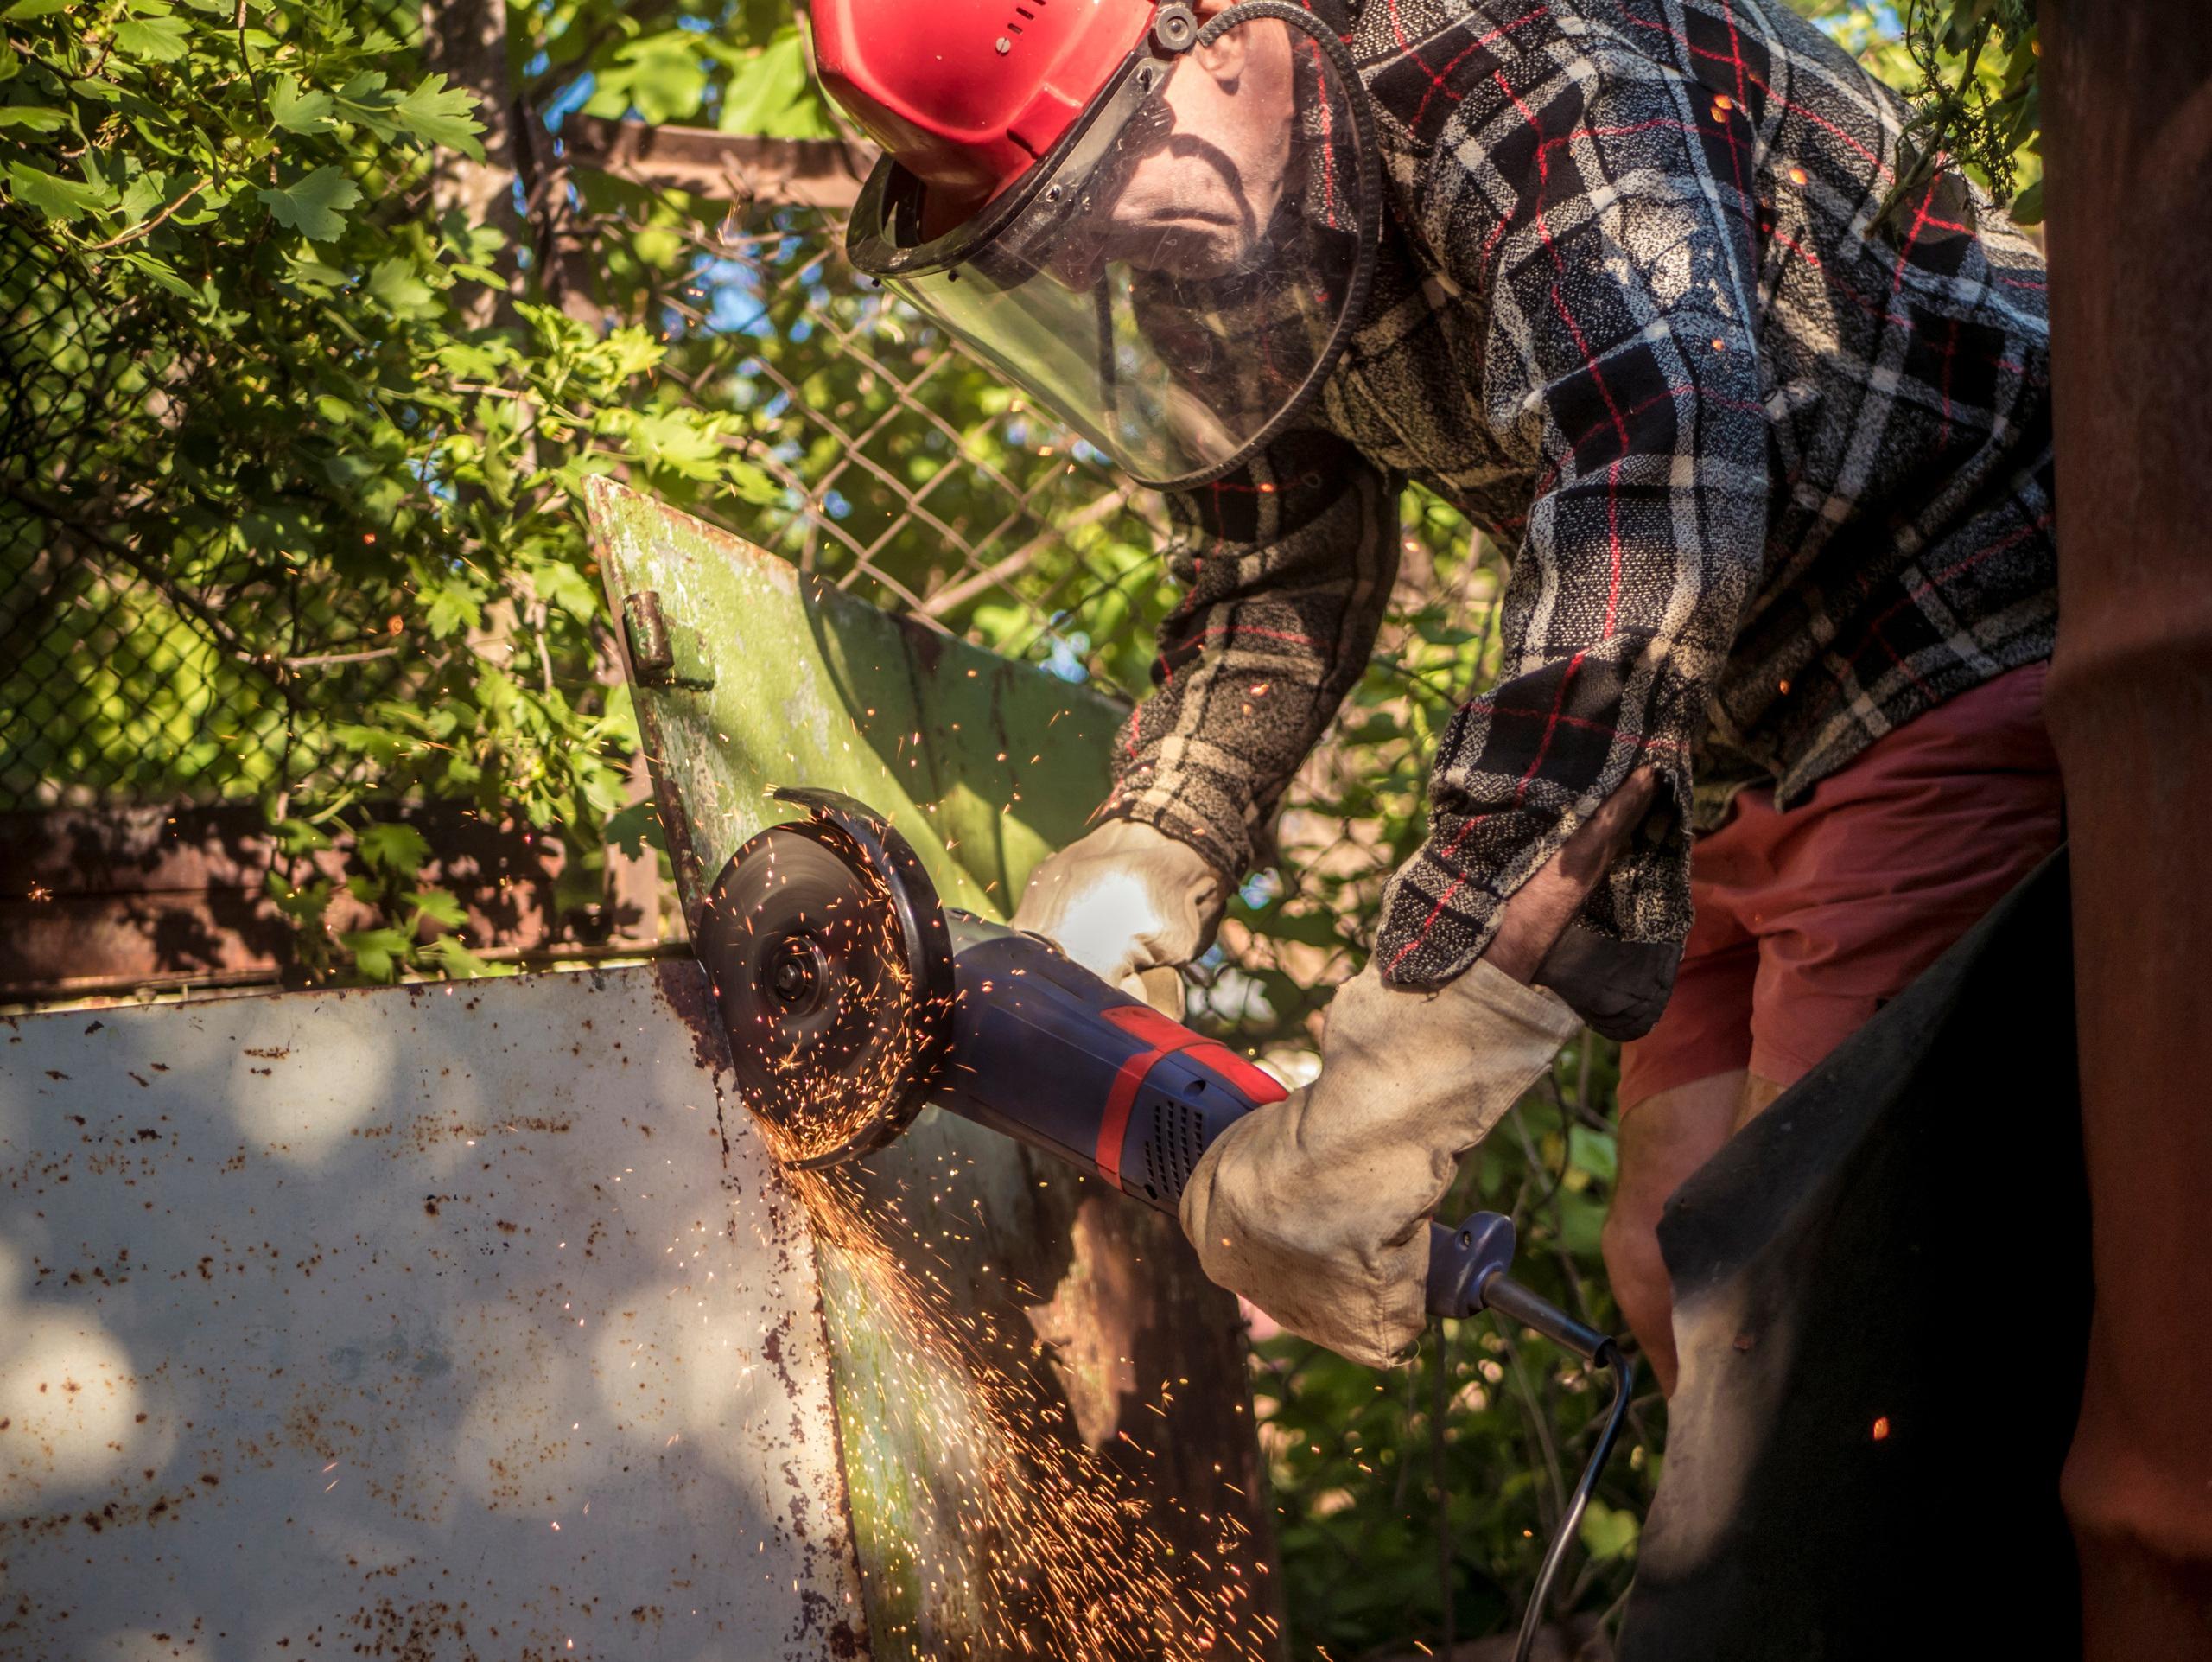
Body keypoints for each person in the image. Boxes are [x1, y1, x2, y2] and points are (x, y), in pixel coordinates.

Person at [810, 0, 2059, 1387]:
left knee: (1798, 1306)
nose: (1101, 249)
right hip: (1719, 729)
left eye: (1096, 184)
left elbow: (1650, 480)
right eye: (1056, 232)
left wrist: (1416, 1051)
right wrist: (1157, 839)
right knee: (1669, 1262)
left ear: (1206, 32)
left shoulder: (1530, 68)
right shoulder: (1202, 229)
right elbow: (1272, 559)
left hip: (1957, 612)